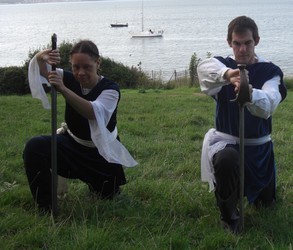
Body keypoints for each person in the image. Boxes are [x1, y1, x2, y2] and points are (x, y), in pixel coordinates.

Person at [24, 40, 138, 214]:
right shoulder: (69, 78)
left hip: (100, 153)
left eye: (87, 67)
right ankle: (46, 207)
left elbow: (93, 112)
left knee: (107, 197)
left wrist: (62, 88)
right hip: (71, 146)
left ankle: (98, 185)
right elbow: (42, 69)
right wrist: (41, 56)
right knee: (35, 146)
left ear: (98, 62)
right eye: (75, 67)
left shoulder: (111, 89)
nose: (80, 73)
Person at [197, 16, 287, 233]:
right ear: (230, 43)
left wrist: (248, 93)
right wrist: (229, 75)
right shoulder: (222, 66)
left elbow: (269, 103)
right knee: (227, 160)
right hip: (227, 144)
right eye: (237, 43)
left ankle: (260, 192)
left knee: (266, 205)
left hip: (259, 150)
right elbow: (204, 67)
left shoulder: (270, 71)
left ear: (256, 40)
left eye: (247, 43)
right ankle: (229, 215)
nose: (242, 49)